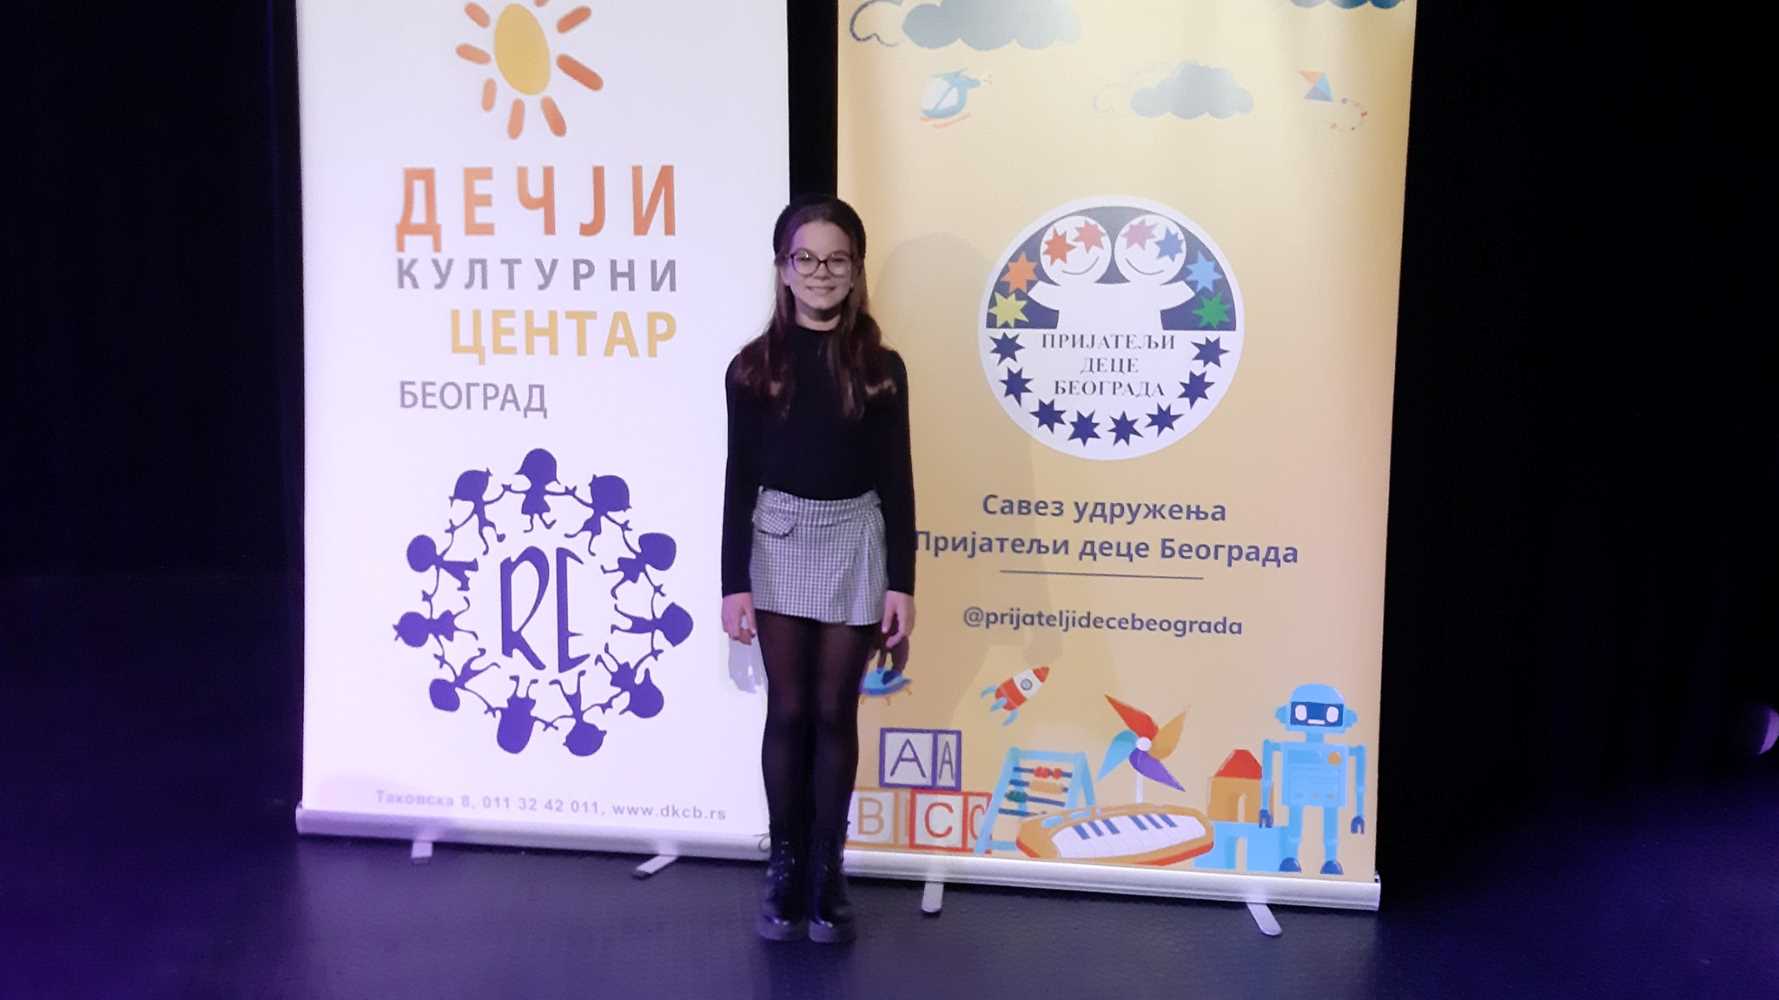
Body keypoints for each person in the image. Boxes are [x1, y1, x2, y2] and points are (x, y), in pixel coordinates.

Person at [721, 195, 916, 943]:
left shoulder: (881, 369)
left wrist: (902, 581)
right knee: (790, 710)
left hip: (855, 541)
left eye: (837, 259)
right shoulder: (752, 368)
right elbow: (738, 478)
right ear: (782, 269)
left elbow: (897, 480)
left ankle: (828, 872)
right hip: (776, 541)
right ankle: (786, 865)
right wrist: (732, 583)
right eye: (805, 258)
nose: (821, 272)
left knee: (837, 712)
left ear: (856, 270)